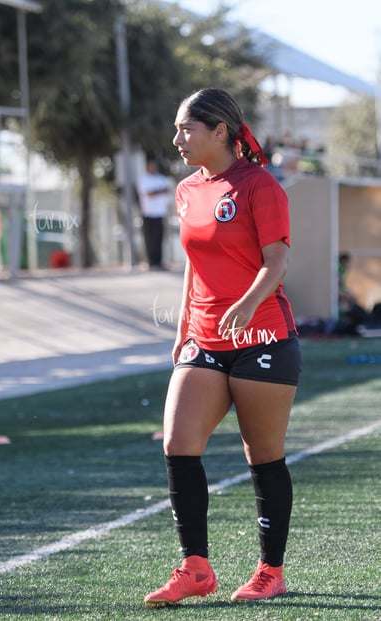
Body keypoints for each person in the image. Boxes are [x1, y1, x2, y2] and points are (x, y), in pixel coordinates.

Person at [144, 88, 302, 607]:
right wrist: (183, 327)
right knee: (177, 443)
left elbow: (275, 262)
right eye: (176, 129)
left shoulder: (260, 186)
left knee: (263, 457)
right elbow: (193, 262)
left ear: (220, 131)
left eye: (186, 128)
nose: (177, 139)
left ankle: (269, 571)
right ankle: (195, 568)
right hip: (205, 338)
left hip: (263, 337)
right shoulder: (187, 189)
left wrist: (246, 304)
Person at [137, 157, 171, 269]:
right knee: (149, 238)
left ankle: (158, 261)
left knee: (159, 238)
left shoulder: (161, 178)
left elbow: (167, 190)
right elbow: (148, 193)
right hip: (148, 213)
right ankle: (150, 261)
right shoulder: (144, 179)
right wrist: (159, 191)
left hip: (160, 212)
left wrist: (157, 191)